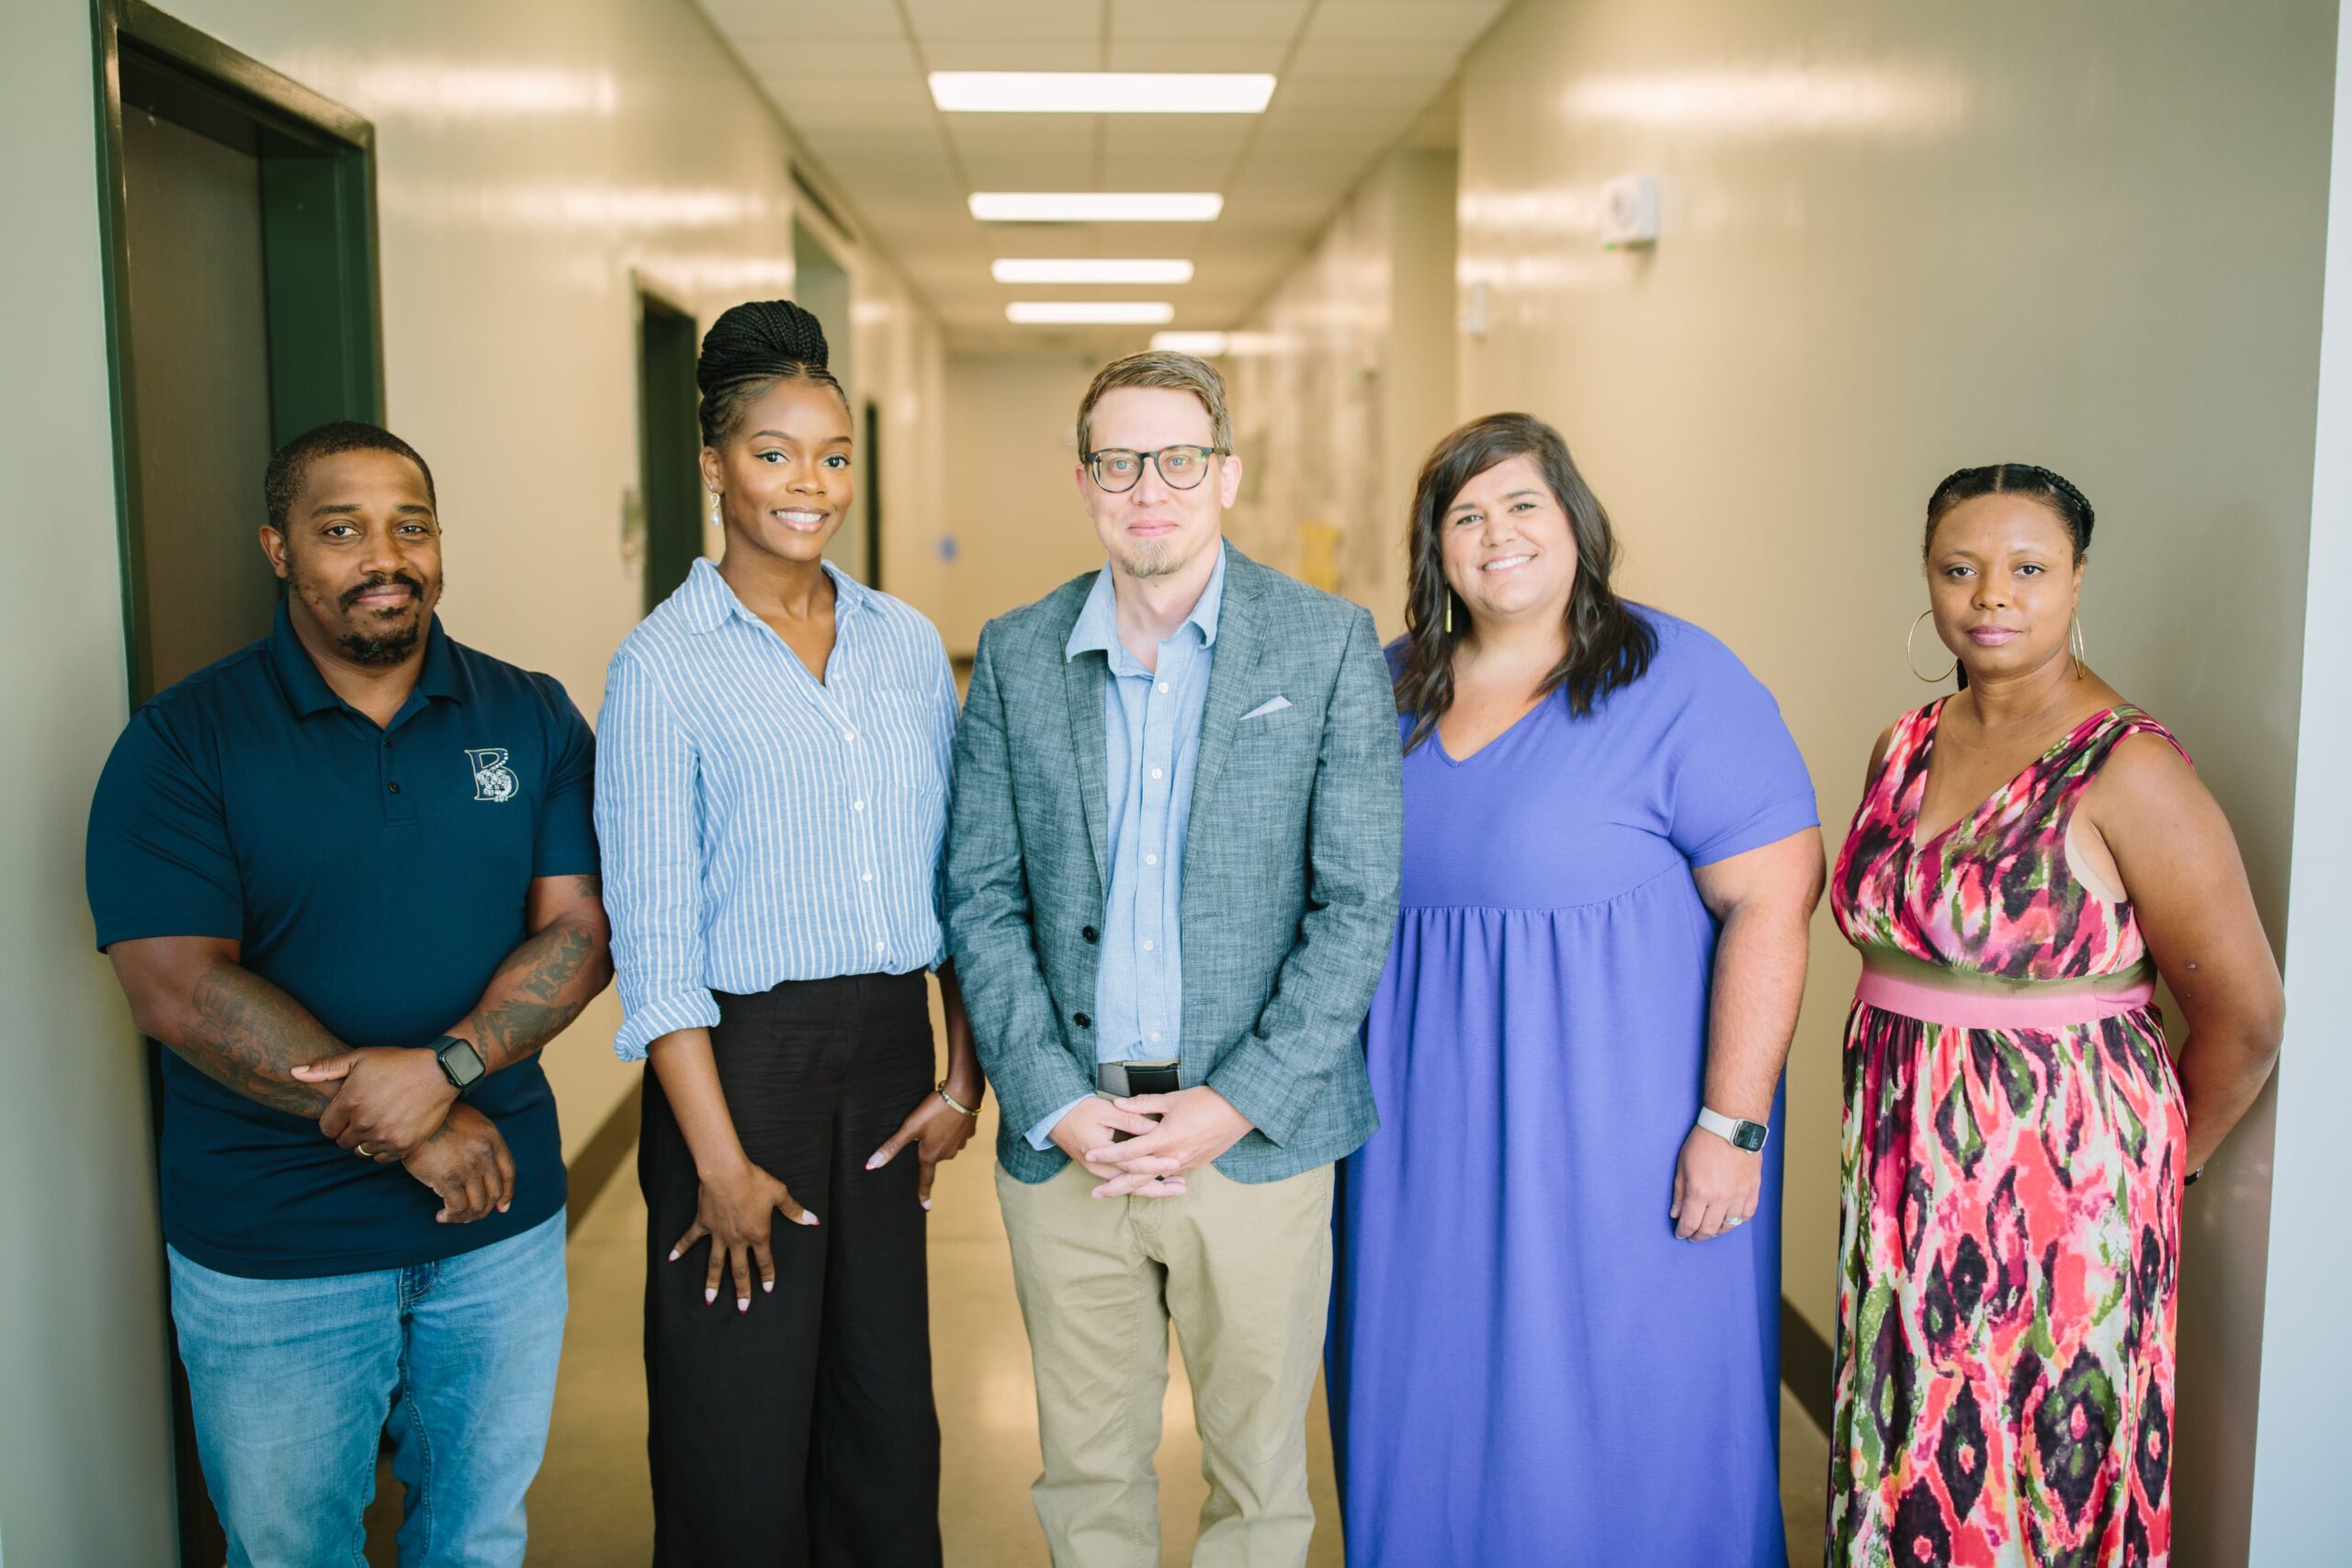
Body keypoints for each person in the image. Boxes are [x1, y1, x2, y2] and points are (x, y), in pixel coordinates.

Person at [85, 421, 613, 1568]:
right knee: (292, 1549)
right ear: (279, 549)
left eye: (410, 525)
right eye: (341, 529)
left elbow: (578, 930)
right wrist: (410, 1127)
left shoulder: (529, 716)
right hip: (275, 1244)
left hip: (497, 1223)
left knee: (476, 1537)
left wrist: (445, 1072)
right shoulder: (185, 741)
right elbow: (176, 991)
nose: (386, 555)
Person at [1327, 412, 1825, 1564]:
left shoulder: (1678, 678)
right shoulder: (1385, 685)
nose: (1495, 536)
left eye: (1521, 507)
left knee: (1627, 1405)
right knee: (1430, 1394)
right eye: (1464, 516)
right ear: (1432, 546)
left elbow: (1771, 904)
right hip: (1414, 1145)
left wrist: (1731, 1123)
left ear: (1575, 524)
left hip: (1625, 1140)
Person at [944, 349, 1402, 1567]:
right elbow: (980, 898)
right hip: (1074, 1143)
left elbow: (1357, 903)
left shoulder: (1324, 644)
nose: (1150, 486)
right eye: (1119, 459)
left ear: (1227, 473)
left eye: (1179, 457)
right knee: (1087, 1473)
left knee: (1260, 1480)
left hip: (1254, 1145)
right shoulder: (1015, 651)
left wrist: (1233, 1100)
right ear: (1087, 478)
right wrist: (1052, 1100)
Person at [1826, 464, 2283, 1565]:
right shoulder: (1904, 742)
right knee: (1900, 1438)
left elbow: (2247, 1015)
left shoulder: (2127, 768)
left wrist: (2150, 1172)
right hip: (1898, 1166)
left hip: (2058, 1191)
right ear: (1927, 583)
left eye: (2028, 569)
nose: (1992, 596)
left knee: (2037, 1461)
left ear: (2077, 582)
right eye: (1961, 569)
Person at [594, 299, 979, 1566]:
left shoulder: (905, 645)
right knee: (737, 1419)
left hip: (883, 1057)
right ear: (714, 466)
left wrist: (960, 1076)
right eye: (773, 452)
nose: (808, 483)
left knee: (882, 1410)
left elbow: (961, 874)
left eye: (832, 454)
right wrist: (716, 1157)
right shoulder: (663, 666)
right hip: (736, 1070)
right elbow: (654, 943)